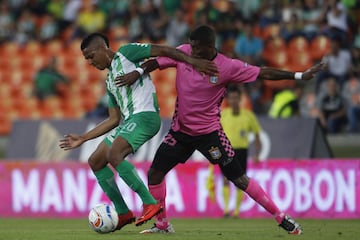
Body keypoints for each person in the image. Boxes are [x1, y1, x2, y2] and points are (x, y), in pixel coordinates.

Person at [116, 25, 324, 235]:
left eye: (197, 48)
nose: (192, 51)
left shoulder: (227, 66)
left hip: (210, 134)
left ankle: (281, 217)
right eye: (192, 46)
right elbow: (157, 61)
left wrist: (298, 76)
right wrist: (138, 72)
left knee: (239, 179)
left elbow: (263, 73)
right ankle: (162, 224)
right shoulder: (184, 53)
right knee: (155, 173)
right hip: (180, 132)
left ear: (210, 46)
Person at [59, 33, 217, 231]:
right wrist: (83, 138)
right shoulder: (110, 82)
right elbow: (114, 119)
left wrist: (193, 62)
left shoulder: (126, 53)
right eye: (86, 59)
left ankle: (150, 203)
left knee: (114, 153)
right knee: (96, 161)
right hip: (130, 121)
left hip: (146, 117)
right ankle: (123, 212)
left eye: (90, 56)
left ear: (102, 48)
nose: (90, 62)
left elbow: (165, 50)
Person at [207, 85, 262, 218]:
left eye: (236, 98)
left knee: (240, 181)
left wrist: (257, 154)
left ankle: (236, 212)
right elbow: (214, 134)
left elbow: (257, 136)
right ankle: (226, 210)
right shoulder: (223, 115)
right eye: (231, 98)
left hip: (242, 151)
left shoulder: (248, 116)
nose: (234, 101)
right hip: (226, 150)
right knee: (226, 179)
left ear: (240, 99)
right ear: (228, 100)